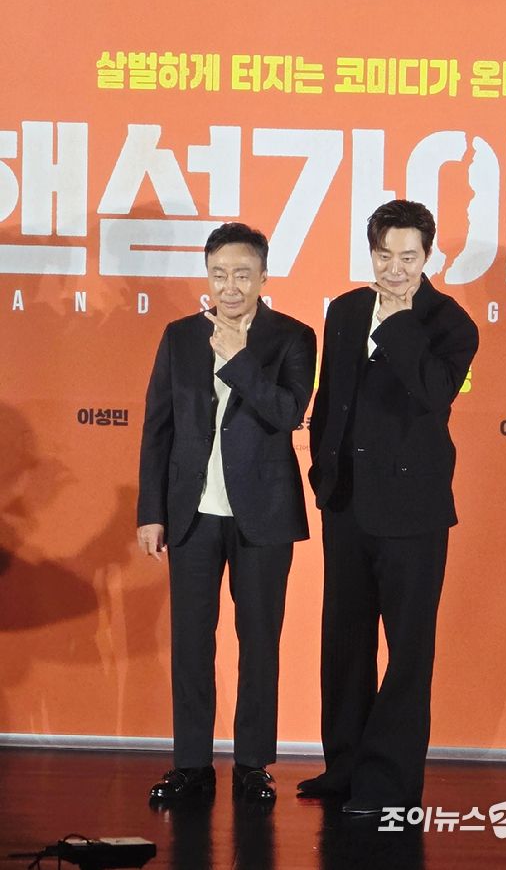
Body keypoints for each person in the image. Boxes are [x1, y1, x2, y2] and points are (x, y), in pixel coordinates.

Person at [297, 200, 478, 814]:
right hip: (346, 503)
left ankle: (388, 784)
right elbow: (330, 399)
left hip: (413, 512)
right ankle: (344, 767)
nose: (394, 269)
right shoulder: (346, 310)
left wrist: (399, 322)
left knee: (407, 654)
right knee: (344, 641)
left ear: (428, 257)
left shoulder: (452, 324)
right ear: (370, 253)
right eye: (383, 256)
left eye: (408, 257)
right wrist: (323, 472)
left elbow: (433, 393)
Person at [137, 222, 316, 805]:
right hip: (191, 513)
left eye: (242, 274)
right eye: (219, 274)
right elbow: (158, 428)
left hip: (263, 513)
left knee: (259, 640)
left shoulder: (293, 337)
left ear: (264, 276)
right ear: (207, 276)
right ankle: (191, 764)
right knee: (191, 643)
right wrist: (151, 511)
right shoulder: (179, 336)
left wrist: (239, 359)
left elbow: (287, 412)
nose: (230, 286)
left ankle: (251, 765)